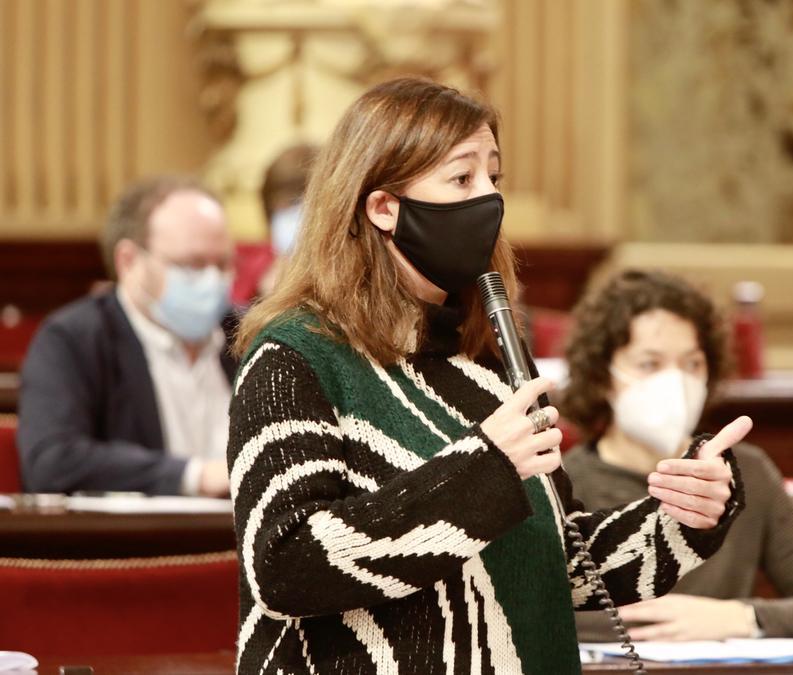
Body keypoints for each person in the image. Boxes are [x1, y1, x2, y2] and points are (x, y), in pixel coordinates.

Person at [227, 78, 748, 674]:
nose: (489, 200)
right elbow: (285, 567)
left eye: (493, 179)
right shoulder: (294, 357)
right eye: (462, 178)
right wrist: (483, 472)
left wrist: (683, 518)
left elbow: (557, 564)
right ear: (383, 207)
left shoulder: (482, 361)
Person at [560, 270, 793, 641]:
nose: (675, 383)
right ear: (601, 375)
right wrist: (643, 623)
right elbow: (532, 617)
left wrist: (738, 618)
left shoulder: (745, 472)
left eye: (692, 364)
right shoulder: (561, 483)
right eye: (649, 364)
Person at [18, 176, 235, 496]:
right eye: (192, 264)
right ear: (129, 261)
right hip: (143, 543)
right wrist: (197, 476)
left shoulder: (249, 333)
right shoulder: (73, 339)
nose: (212, 281)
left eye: (223, 264)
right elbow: (52, 462)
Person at [230, 143, 320, 307]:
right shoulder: (242, 267)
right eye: (286, 205)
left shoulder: (340, 274)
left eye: (300, 203)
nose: (296, 214)